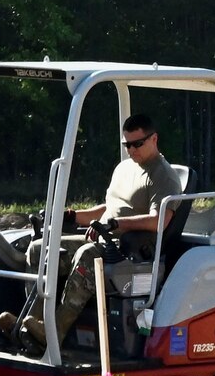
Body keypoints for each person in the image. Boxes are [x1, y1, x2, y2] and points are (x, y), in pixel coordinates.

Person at [55, 114, 180, 342]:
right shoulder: (124, 168)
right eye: (127, 144)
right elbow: (110, 208)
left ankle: (52, 335)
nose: (132, 150)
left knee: (87, 256)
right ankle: (30, 325)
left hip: (130, 255)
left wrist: (115, 224)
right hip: (104, 241)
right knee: (44, 249)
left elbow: (158, 221)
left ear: (154, 139)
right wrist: (73, 216)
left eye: (137, 144)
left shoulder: (165, 177)